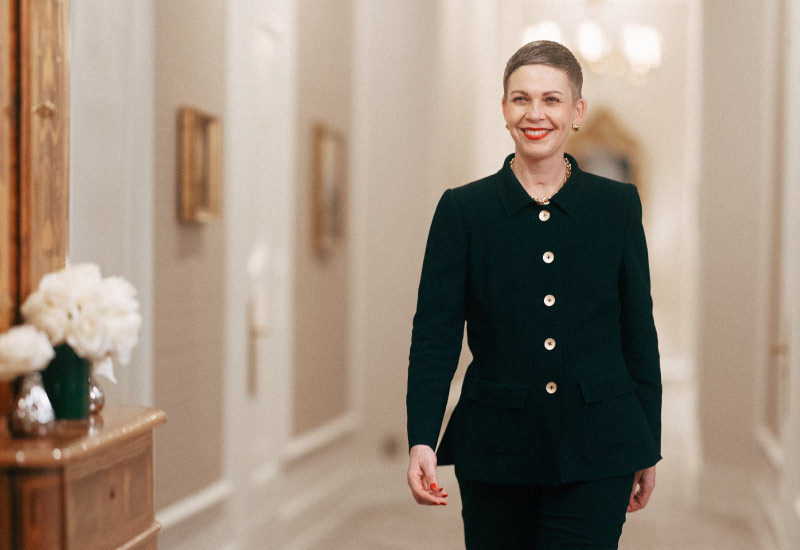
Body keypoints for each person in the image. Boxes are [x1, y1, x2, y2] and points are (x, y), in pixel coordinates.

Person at [406, 40, 661, 549]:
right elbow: (435, 336)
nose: (535, 113)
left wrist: (647, 444)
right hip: (495, 447)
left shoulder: (616, 207)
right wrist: (421, 436)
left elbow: (638, 331)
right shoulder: (464, 211)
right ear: (504, 110)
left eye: (551, 99)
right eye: (520, 99)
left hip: (600, 445)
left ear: (576, 112)